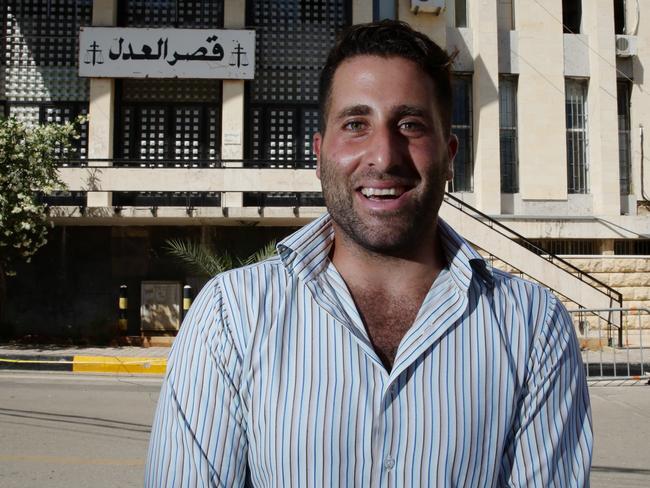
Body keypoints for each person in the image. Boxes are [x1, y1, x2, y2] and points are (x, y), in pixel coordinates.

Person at [146, 20, 592, 487]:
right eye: (356, 124)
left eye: (411, 125)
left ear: (450, 155)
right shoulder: (232, 315)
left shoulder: (533, 327)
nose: (384, 155)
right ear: (319, 155)